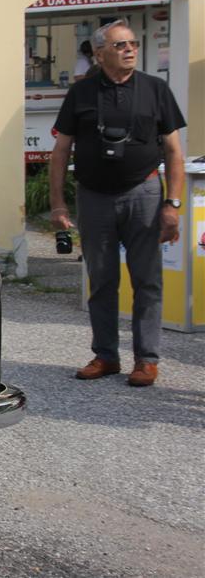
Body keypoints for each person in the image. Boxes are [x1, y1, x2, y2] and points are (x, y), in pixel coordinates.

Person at [49, 19, 185, 387]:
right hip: (94, 197)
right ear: (99, 53)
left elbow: (173, 152)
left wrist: (172, 204)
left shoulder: (156, 90)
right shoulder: (81, 94)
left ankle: (147, 359)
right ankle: (106, 356)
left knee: (147, 280)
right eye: (120, 45)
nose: (130, 49)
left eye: (132, 44)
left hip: (144, 193)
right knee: (102, 280)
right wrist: (58, 204)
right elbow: (61, 151)